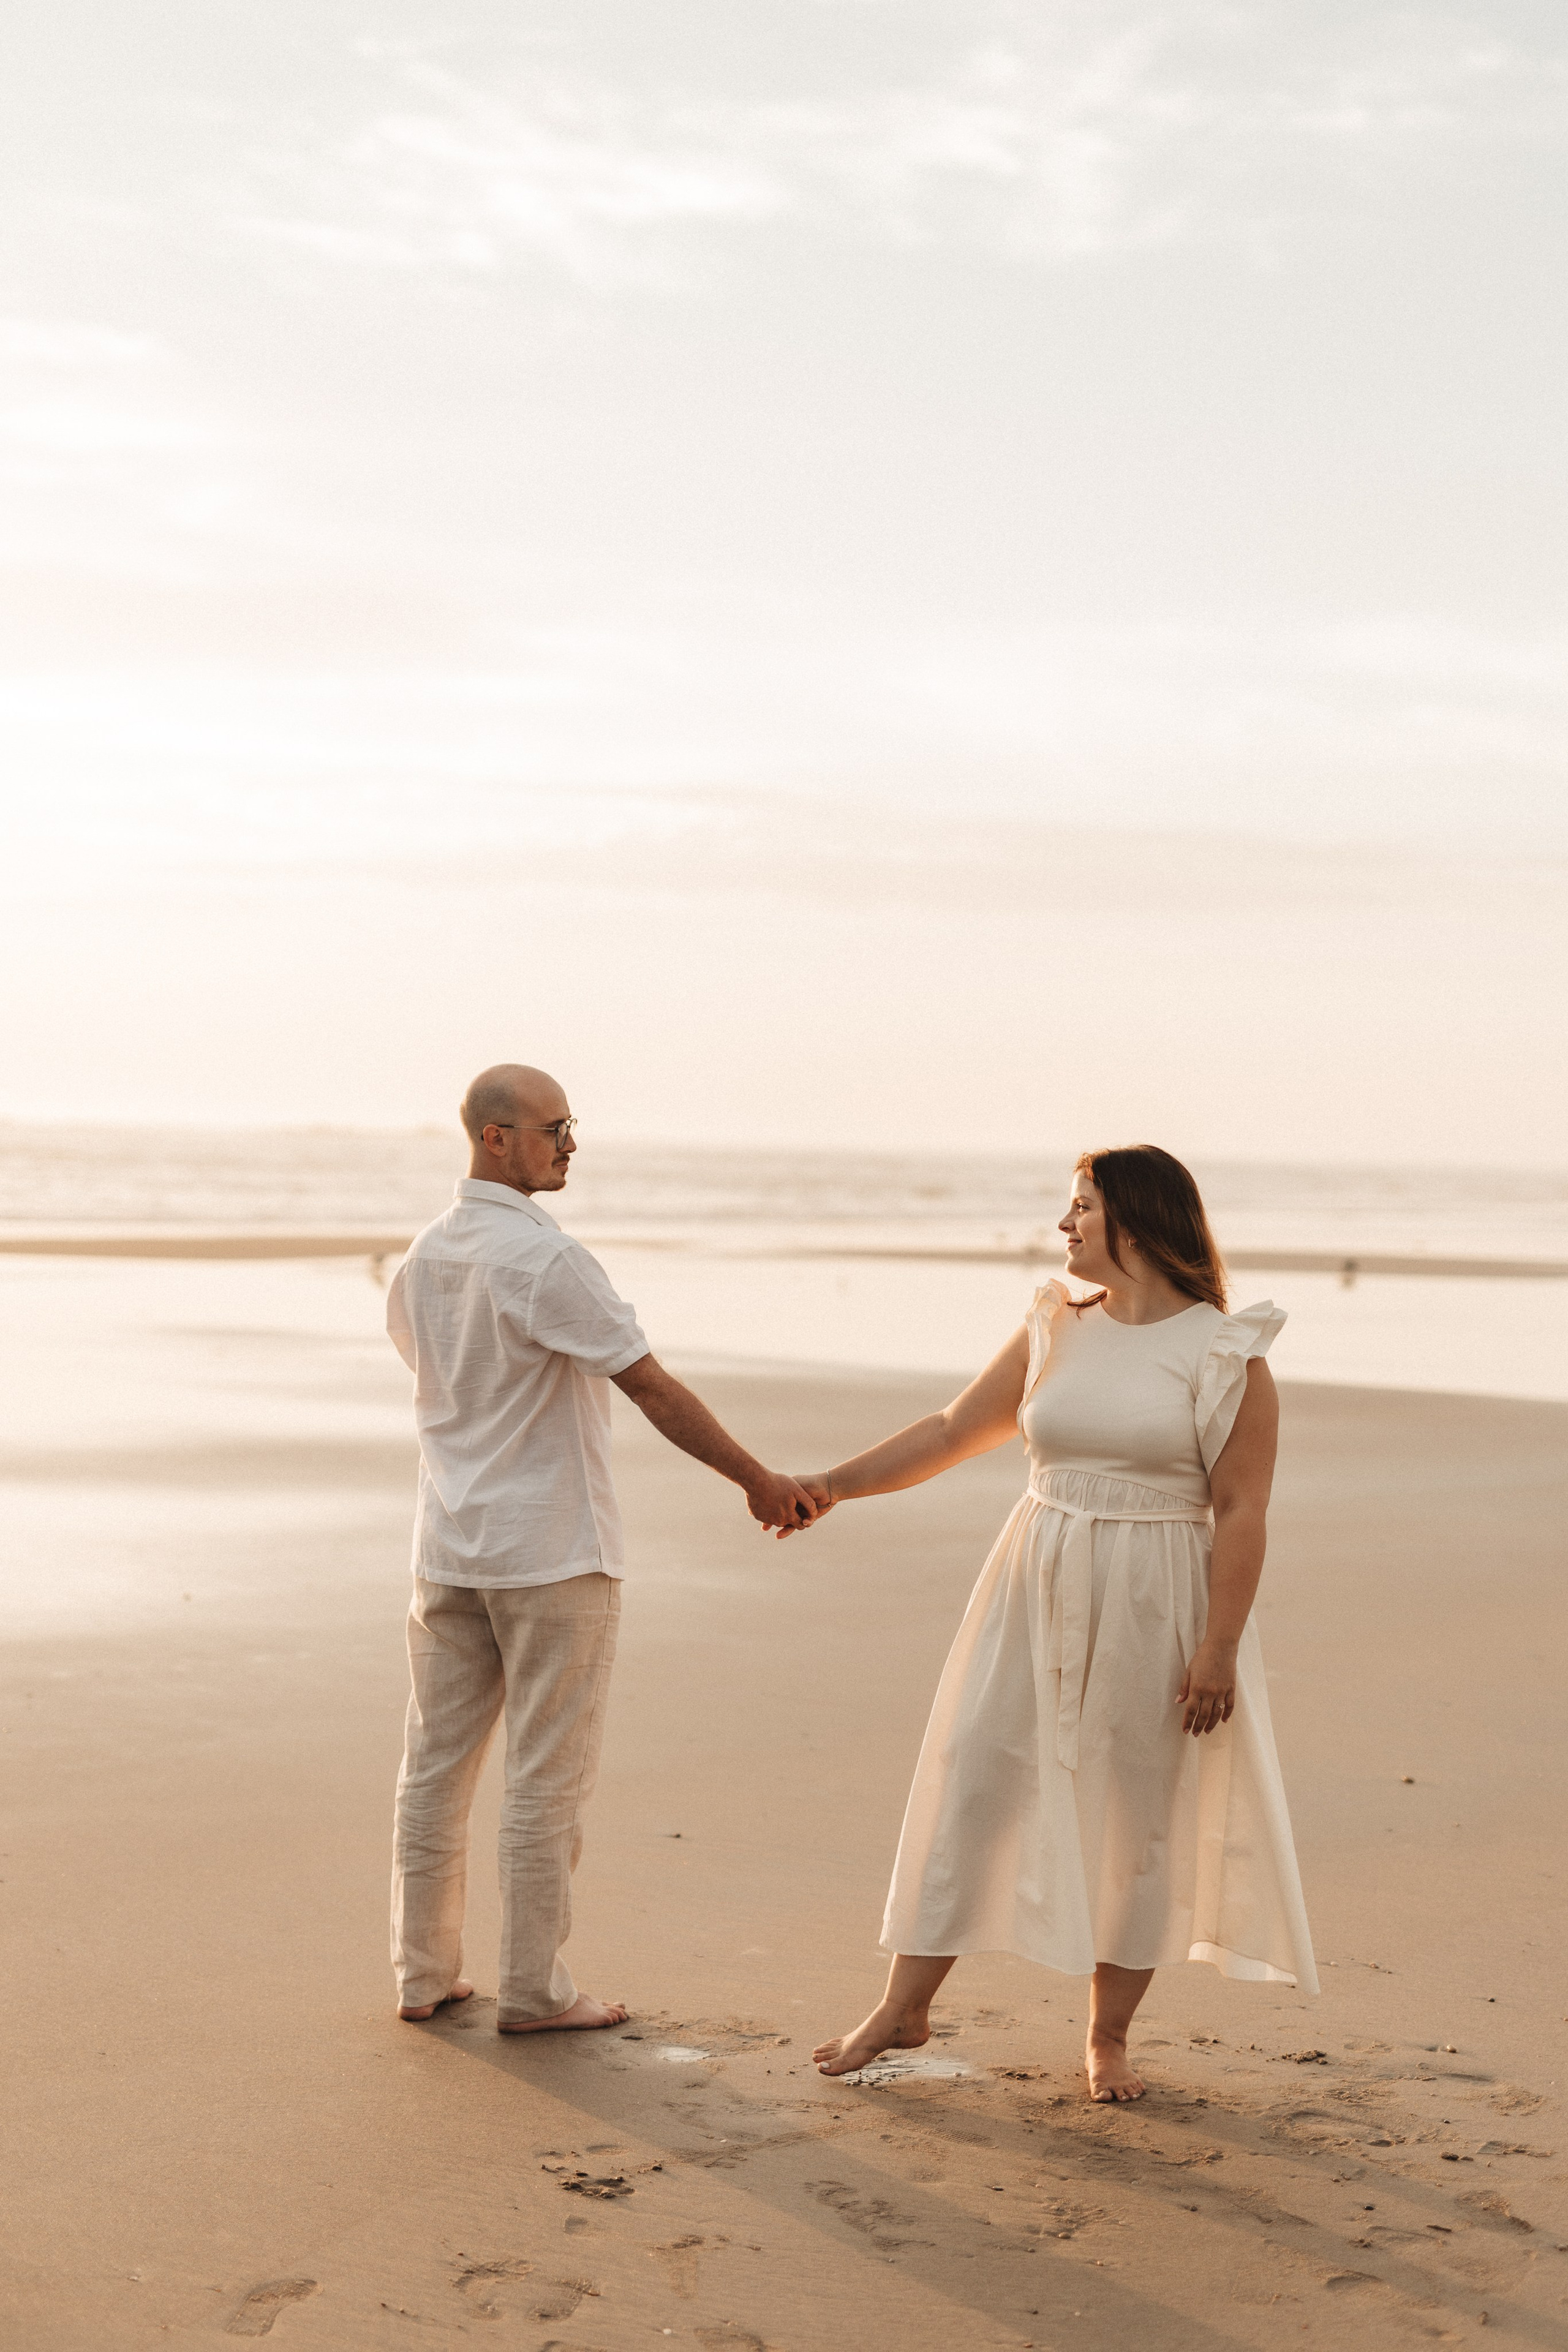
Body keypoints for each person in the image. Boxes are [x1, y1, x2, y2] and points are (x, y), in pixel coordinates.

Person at [805, 1145, 1317, 2100]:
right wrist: (831, 1485)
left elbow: (1242, 1509)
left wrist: (1218, 1648)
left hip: (1155, 1597)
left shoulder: (1225, 1352)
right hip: (1033, 1581)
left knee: (1136, 1813)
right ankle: (904, 2007)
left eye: (1081, 1206)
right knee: (975, 1777)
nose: (1063, 1224)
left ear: (1138, 1220)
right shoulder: (1054, 1325)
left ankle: (1107, 2036)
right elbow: (952, 1431)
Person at [386, 1063, 816, 2034]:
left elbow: (440, 1381)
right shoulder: (547, 1260)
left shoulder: (426, 1253)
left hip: (449, 1545)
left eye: (571, 1126)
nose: (571, 1145)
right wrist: (757, 1479)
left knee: (434, 1769)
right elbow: (649, 1385)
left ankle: (422, 1974)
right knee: (545, 1780)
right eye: (554, 1129)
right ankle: (535, 1992)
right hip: (550, 1551)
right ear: (496, 1137)